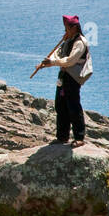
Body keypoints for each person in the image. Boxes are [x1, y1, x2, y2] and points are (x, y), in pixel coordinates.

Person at [36, 14, 92, 146]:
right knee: (60, 105)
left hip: (73, 77)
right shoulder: (68, 39)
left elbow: (70, 61)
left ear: (74, 28)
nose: (65, 31)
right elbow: (59, 53)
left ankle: (79, 137)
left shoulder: (80, 42)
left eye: (67, 28)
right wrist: (49, 61)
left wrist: (53, 62)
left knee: (73, 105)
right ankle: (62, 136)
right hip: (64, 76)